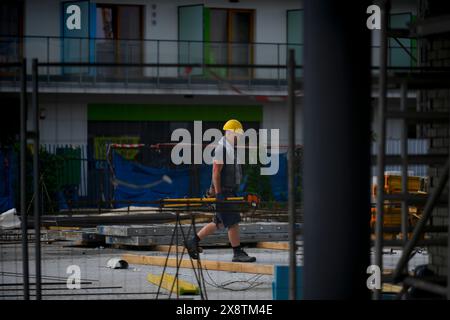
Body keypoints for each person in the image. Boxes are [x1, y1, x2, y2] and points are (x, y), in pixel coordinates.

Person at [184, 119, 256, 263]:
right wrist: (218, 194)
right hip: (224, 192)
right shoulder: (222, 148)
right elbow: (216, 172)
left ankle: (193, 241)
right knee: (233, 222)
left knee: (219, 223)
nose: (239, 137)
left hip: (227, 191)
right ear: (229, 133)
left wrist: (213, 192)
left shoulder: (229, 148)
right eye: (237, 134)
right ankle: (237, 253)